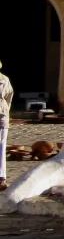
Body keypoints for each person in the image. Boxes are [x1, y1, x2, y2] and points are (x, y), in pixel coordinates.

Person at [0, 60, 12, 192]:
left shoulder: (5, 80)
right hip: (2, 114)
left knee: (1, 146)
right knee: (1, 147)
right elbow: (9, 97)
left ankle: (1, 178)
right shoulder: (5, 79)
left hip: (2, 116)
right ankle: (1, 178)